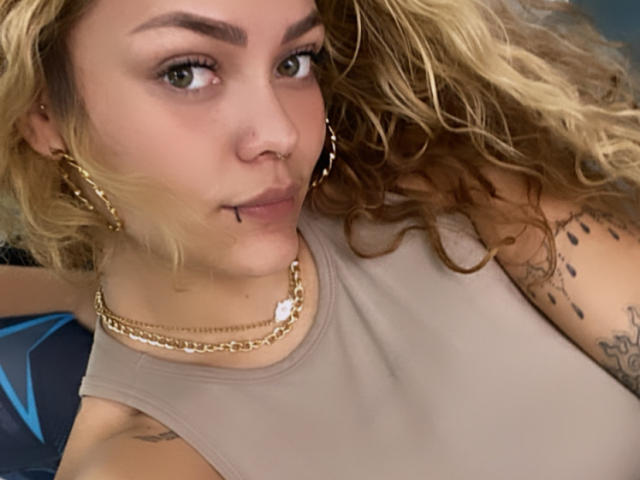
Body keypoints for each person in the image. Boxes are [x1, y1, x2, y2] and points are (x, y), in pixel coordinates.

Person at [0, 0, 639, 478]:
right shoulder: (142, 461)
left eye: (295, 62)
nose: (280, 132)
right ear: (45, 114)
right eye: (187, 73)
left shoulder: (446, 194)